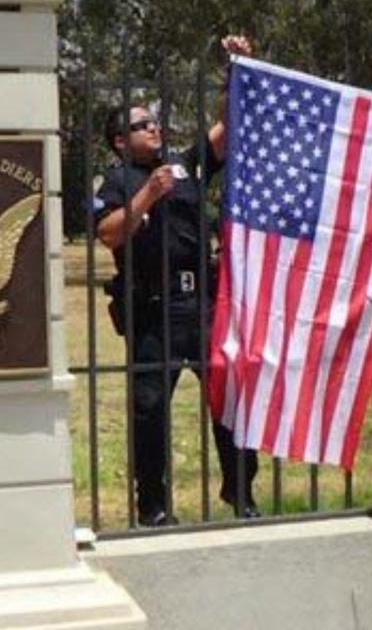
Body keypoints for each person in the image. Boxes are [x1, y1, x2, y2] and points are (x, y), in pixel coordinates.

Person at [93, 36, 259, 527]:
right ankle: (154, 505)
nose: (153, 127)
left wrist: (237, 69)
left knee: (230, 399)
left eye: (154, 121)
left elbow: (228, 130)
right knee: (149, 413)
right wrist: (148, 193)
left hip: (203, 305)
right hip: (153, 311)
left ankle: (240, 489)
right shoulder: (117, 180)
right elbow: (108, 234)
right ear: (121, 141)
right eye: (141, 125)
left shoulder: (185, 165)